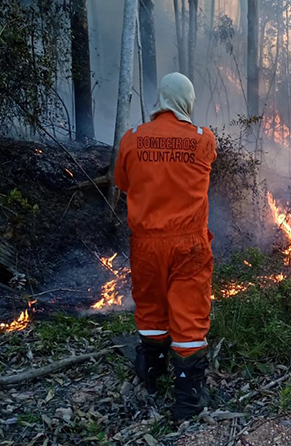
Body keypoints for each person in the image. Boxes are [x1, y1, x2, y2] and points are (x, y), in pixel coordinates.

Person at [114, 72, 217, 420]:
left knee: (150, 308)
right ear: (187, 101)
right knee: (189, 314)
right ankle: (188, 397)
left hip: (146, 244)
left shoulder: (132, 138)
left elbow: (123, 182)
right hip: (189, 245)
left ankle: (152, 370)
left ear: (161, 99)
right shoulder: (203, 139)